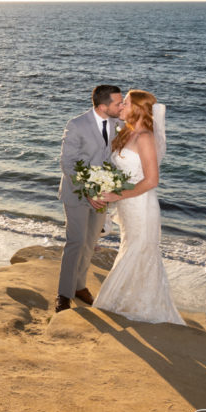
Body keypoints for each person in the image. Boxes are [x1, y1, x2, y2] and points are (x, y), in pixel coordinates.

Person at [93, 90, 185, 325]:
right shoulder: (128, 133)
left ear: (139, 109)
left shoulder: (145, 137)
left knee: (139, 251)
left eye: (126, 103)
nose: (121, 106)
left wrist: (117, 194)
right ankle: (128, 301)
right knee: (129, 248)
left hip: (142, 206)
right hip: (127, 204)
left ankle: (138, 305)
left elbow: (152, 180)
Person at [55, 85, 123, 313]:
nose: (121, 106)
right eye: (118, 103)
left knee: (90, 242)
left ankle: (79, 286)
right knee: (75, 242)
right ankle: (63, 294)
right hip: (77, 192)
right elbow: (67, 163)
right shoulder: (76, 125)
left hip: (103, 193)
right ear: (103, 107)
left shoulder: (117, 123)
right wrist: (88, 191)